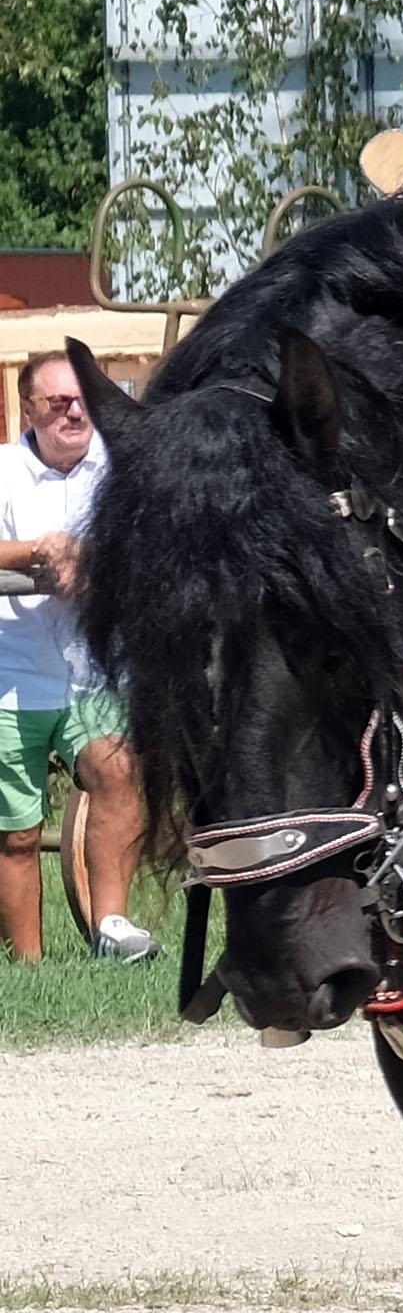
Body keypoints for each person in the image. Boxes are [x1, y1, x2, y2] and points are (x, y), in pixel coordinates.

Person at [0, 346, 145, 965]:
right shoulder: (2, 470)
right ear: (28, 409)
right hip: (11, 676)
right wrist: (35, 551)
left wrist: (92, 561)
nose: (71, 412)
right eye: (57, 402)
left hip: (93, 670)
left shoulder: (123, 472)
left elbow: (152, 541)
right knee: (17, 833)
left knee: (118, 776)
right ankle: (28, 965)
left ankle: (112, 927)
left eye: (82, 400)